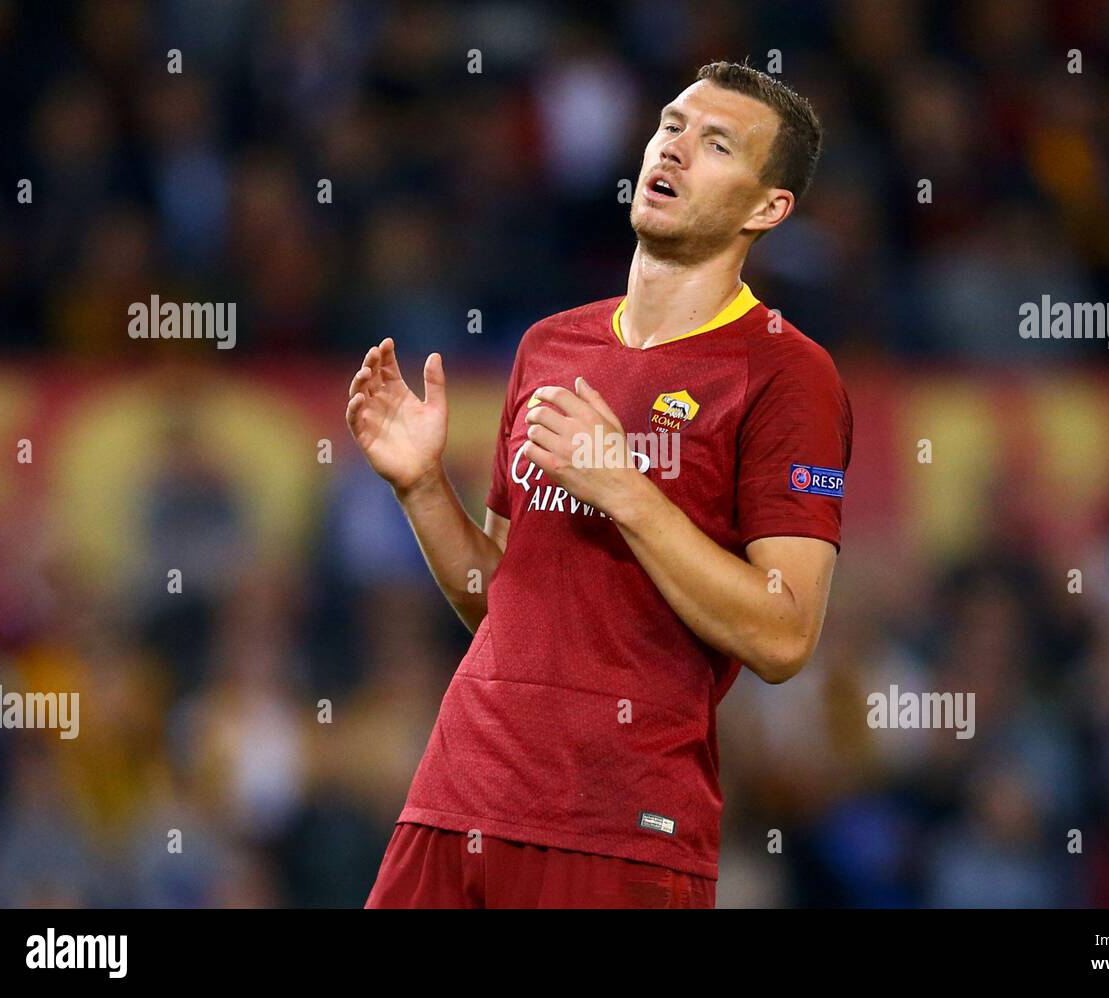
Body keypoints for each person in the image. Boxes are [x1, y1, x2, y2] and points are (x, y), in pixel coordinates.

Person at [349, 61, 852, 908]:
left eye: (718, 143)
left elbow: (784, 635)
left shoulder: (787, 374)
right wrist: (422, 489)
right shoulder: (551, 346)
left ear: (768, 208)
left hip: (618, 826)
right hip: (454, 796)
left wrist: (624, 487)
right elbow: (501, 602)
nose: (677, 149)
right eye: (672, 126)